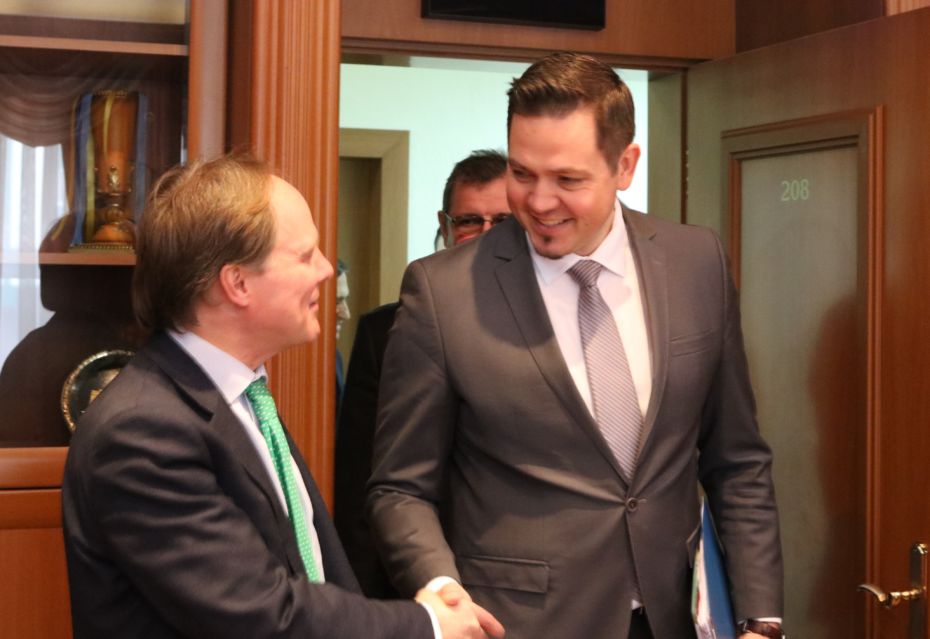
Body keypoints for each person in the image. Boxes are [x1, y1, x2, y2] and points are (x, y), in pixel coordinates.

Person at [367, 53, 784, 639]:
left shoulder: (697, 262)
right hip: (517, 624)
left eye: (567, 180)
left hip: (674, 618)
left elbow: (737, 462)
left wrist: (760, 618)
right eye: (522, 173)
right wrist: (441, 591)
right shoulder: (442, 293)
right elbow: (399, 488)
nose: (539, 202)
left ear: (625, 165)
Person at [61, 155, 504, 639]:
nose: (326, 270)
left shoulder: (244, 399)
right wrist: (427, 625)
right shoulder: (142, 431)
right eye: (305, 255)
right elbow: (259, 612)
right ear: (238, 283)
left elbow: (313, 572)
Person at [334, 149, 509, 599]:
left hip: (518, 580)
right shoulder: (382, 333)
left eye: (503, 222)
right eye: (469, 221)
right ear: (445, 226)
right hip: (413, 584)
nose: (486, 235)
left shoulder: (553, 327)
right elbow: (359, 483)